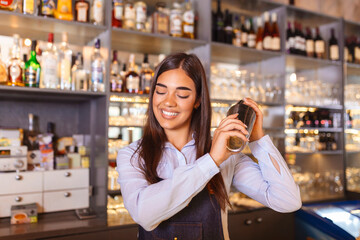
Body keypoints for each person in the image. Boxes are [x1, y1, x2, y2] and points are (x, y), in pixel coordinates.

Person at [117, 53, 301, 240]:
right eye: (161, 91)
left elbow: (287, 200)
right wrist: (211, 161)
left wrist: (258, 140)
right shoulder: (132, 155)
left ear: (197, 101)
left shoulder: (225, 153)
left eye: (181, 94)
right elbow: (144, 214)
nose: (168, 102)